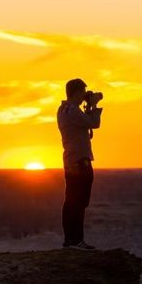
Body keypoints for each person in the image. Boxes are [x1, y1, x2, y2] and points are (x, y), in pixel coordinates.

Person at [57, 78, 103, 249]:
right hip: (79, 161)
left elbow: (84, 125)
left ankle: (71, 240)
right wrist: (93, 106)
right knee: (78, 202)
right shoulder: (72, 111)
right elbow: (94, 123)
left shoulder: (63, 109)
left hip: (71, 160)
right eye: (83, 92)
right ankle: (76, 240)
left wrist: (87, 106)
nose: (85, 95)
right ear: (77, 93)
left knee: (71, 201)